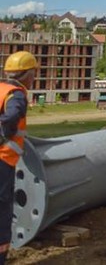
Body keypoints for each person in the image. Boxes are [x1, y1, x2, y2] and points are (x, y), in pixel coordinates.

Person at [0, 51, 38, 265]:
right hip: (3, 159)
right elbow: (12, 116)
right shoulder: (16, 94)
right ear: (28, 74)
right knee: (3, 210)